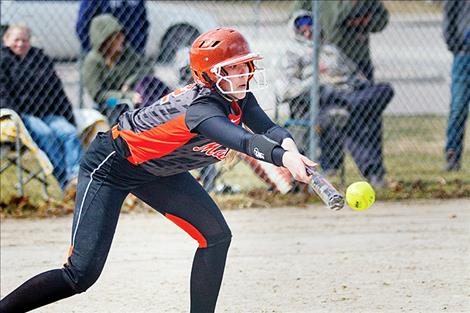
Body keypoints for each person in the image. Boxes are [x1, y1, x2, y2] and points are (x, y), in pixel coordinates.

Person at [0, 27, 318, 313]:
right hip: (111, 165)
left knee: (216, 237)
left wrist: (290, 150)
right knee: (80, 275)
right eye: (230, 68)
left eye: (243, 65)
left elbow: (269, 128)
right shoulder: (202, 110)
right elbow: (245, 141)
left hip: (155, 171)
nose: (241, 74)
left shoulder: (237, 96)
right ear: (208, 74)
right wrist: (281, 159)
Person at [277, 11, 394, 187]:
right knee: (350, 115)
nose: (307, 29)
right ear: (294, 29)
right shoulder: (291, 53)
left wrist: (356, 85)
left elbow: (357, 75)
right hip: (317, 101)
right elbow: (285, 90)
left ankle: (351, 104)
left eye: (311, 24)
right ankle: (373, 173)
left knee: (384, 89)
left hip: (347, 93)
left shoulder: (331, 50)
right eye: (301, 26)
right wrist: (314, 81)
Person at [0, 24, 83, 191]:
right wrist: (17, 116)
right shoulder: (3, 60)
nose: (20, 44)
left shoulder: (40, 59)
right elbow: (3, 93)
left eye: (24, 40)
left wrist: (68, 117)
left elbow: (56, 89)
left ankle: (76, 178)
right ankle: (64, 181)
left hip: (47, 112)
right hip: (22, 115)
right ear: (6, 40)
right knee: (46, 134)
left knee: (69, 133)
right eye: (16, 40)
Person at [82, 14, 170, 122]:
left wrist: (129, 82)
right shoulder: (92, 61)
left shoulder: (125, 52)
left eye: (121, 35)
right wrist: (126, 96)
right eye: (117, 37)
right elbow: (98, 95)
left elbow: (147, 68)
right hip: (109, 103)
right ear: (106, 41)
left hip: (134, 99)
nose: (122, 39)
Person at [294, 0, 389, 81]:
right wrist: (309, 28)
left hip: (359, 59)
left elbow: (382, 18)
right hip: (325, 59)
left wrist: (363, 22)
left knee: (365, 98)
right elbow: (335, 21)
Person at [443, 0, 470, 171]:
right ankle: (452, 155)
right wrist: (456, 45)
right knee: (458, 107)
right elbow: (449, 15)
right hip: (464, 55)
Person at [76, 0, 149, 54]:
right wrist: (96, 51)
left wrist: (139, 46)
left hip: (133, 53)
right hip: (105, 55)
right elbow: (83, 25)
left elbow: (143, 21)